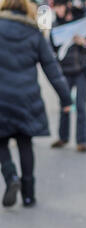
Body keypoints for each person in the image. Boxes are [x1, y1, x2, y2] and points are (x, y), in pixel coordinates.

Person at [0, 0, 72, 207]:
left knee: (1, 142)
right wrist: (66, 99)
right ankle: (29, 195)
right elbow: (52, 70)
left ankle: (10, 176)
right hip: (26, 99)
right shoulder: (33, 32)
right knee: (25, 143)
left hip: (1, 99)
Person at [50, 0, 86, 152]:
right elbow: (50, 47)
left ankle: (81, 141)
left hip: (82, 70)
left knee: (81, 105)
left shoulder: (82, 19)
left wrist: (83, 42)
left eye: (59, 7)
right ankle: (63, 137)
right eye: (55, 8)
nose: (57, 11)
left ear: (67, 5)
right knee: (65, 105)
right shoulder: (56, 24)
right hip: (64, 71)